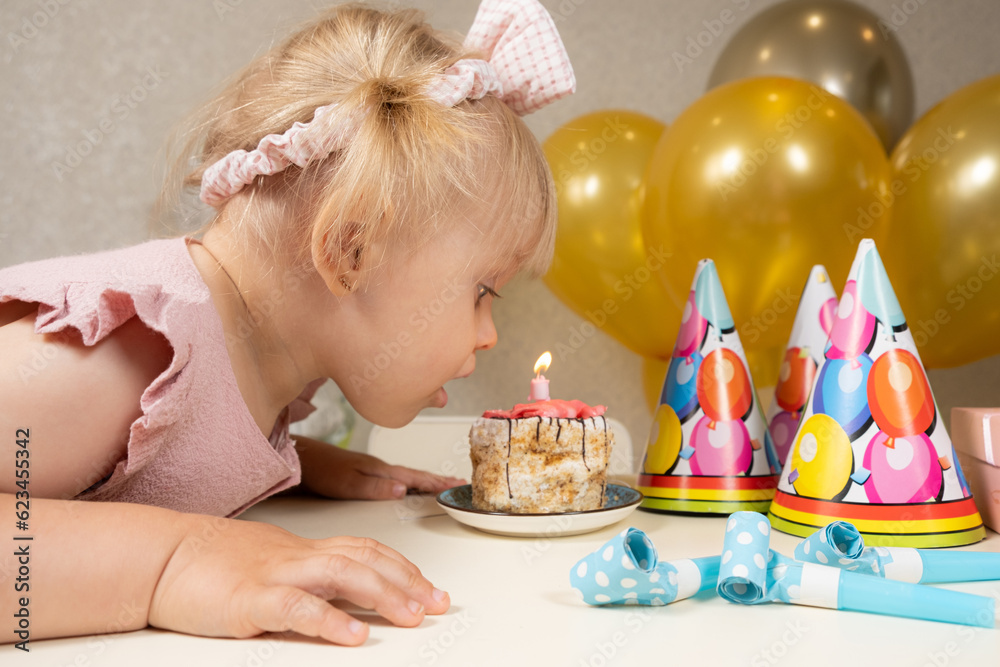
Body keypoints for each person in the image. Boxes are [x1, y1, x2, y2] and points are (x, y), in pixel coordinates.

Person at [0, 0, 574, 647]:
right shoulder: (131, 353)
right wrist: (175, 560)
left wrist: (293, 461)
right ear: (350, 253)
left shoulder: (262, 360)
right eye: (481, 290)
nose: (487, 332)